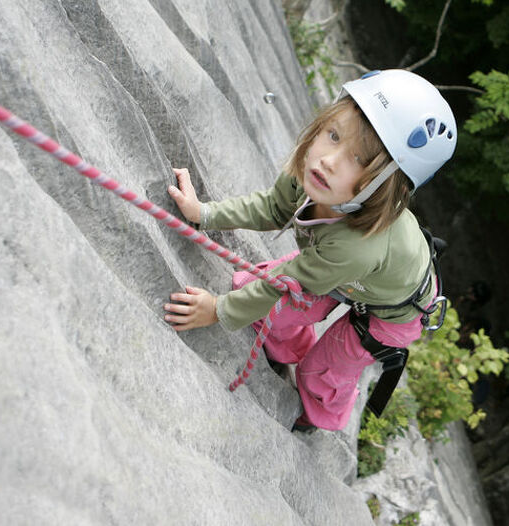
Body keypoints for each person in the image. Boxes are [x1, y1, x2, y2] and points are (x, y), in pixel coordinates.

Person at [163, 69, 457, 432]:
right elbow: (271, 208)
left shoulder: (358, 246)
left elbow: (283, 283)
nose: (330, 160)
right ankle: (287, 348)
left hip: (391, 313)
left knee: (322, 372)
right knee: (250, 291)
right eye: (333, 135)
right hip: (340, 272)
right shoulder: (314, 175)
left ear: (386, 187)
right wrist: (204, 213)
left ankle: (320, 415)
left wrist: (217, 311)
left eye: (359, 160)